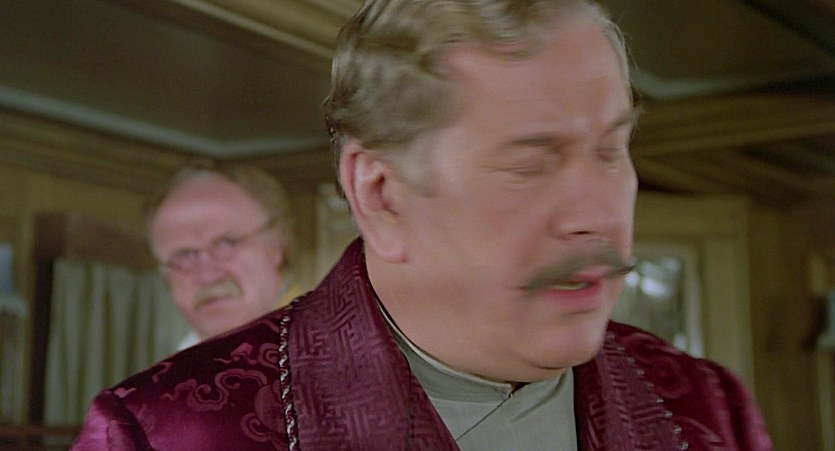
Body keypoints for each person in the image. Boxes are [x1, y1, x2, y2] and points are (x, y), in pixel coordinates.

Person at [71, 0, 772, 449]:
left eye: (611, 149)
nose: (597, 213)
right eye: (529, 164)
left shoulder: (711, 407)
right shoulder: (159, 434)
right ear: (381, 195)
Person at [145, 160, 301, 348]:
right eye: (184, 255)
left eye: (227, 243)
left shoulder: (327, 354)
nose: (207, 275)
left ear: (277, 244)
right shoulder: (171, 368)